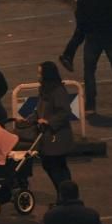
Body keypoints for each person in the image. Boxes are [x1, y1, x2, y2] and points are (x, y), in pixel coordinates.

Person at [27, 62, 74, 197]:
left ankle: (64, 195)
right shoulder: (45, 90)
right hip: (49, 137)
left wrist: (49, 122)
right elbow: (39, 110)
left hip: (57, 137)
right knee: (54, 166)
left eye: (40, 73)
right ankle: (64, 195)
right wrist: (29, 120)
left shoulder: (57, 91)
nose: (38, 76)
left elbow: (64, 112)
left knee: (56, 167)